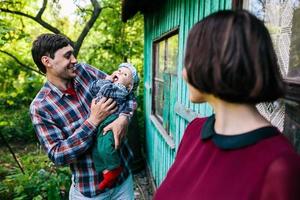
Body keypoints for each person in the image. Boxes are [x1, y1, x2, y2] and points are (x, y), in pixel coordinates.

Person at [154, 10, 300, 200]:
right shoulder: (194, 131)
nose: (183, 73)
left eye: (188, 60)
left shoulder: (280, 166)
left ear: (212, 62)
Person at [30, 33, 135, 199]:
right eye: (67, 56)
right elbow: (58, 155)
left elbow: (125, 92)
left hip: (123, 181)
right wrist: (93, 122)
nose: (74, 60)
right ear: (47, 61)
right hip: (90, 191)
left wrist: (124, 118)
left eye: (72, 53)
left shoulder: (84, 71)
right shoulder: (41, 107)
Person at [90, 62, 139, 191]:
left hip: (112, 121)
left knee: (106, 146)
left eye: (125, 74)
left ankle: (114, 168)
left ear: (129, 86)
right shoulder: (107, 83)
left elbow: (131, 105)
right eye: (119, 70)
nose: (119, 73)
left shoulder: (125, 92)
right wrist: (107, 79)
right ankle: (107, 172)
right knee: (95, 150)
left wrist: (124, 116)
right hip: (100, 122)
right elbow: (92, 88)